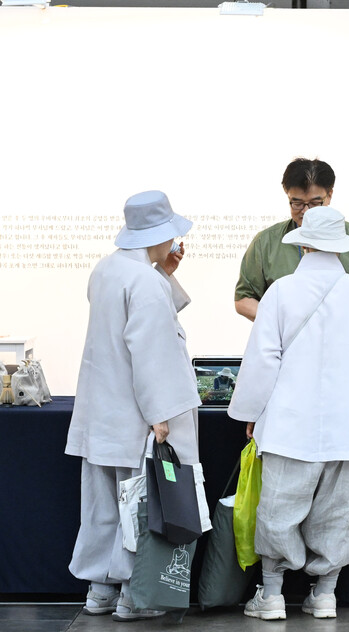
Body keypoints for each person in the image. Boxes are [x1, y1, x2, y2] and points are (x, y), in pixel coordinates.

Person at [228, 207, 349, 620]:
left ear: (304, 243)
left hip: (290, 423)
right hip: (346, 426)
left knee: (279, 508)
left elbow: (263, 359)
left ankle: (271, 596)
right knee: (337, 511)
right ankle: (324, 595)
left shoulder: (281, 292)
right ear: (340, 247)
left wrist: (251, 411)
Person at [65, 190, 201, 622]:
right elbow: (150, 351)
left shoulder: (107, 269)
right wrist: (159, 415)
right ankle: (133, 595)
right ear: (159, 235)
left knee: (103, 506)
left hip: (101, 412)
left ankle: (98, 592)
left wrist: (162, 271)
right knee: (139, 507)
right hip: (136, 415)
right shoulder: (143, 281)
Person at [234, 157, 349, 321]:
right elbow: (244, 299)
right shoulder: (265, 242)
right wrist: (280, 323)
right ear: (288, 196)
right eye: (297, 203)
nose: (306, 211)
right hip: (287, 344)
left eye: (315, 203)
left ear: (329, 195)